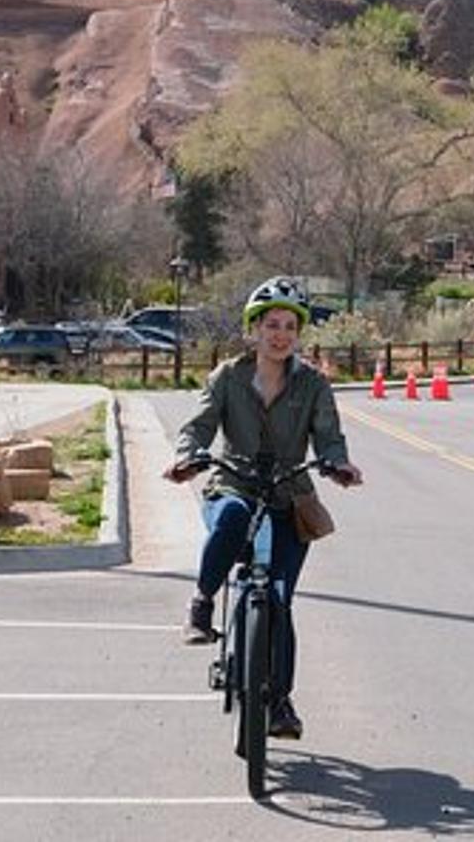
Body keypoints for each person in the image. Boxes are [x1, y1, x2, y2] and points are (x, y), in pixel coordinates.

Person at [163, 276, 364, 740]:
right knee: (231, 518)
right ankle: (201, 603)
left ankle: (280, 703)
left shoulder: (312, 384)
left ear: (298, 333)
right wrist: (185, 458)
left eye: (290, 327)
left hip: (288, 494)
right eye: (271, 324)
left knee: (278, 600)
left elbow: (329, 437)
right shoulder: (228, 377)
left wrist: (338, 465)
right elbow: (198, 427)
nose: (280, 334)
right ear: (254, 328)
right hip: (234, 483)